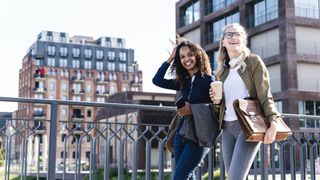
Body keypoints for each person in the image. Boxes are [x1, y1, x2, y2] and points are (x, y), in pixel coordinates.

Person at [209, 23, 278, 180]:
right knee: (236, 176)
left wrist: (273, 122)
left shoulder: (253, 62)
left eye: (237, 34)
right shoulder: (221, 72)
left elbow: (265, 94)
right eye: (229, 35)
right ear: (223, 42)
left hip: (247, 125)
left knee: (235, 178)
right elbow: (219, 108)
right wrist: (217, 101)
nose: (233, 37)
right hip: (227, 129)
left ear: (243, 40)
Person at [152, 37, 214, 179]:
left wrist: (192, 109)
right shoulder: (183, 81)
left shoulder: (209, 80)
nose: (187, 59)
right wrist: (171, 57)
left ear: (198, 55)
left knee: (180, 177)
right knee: (187, 176)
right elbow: (157, 80)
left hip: (199, 136)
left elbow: (216, 108)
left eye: (190, 55)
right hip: (181, 135)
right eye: (182, 56)